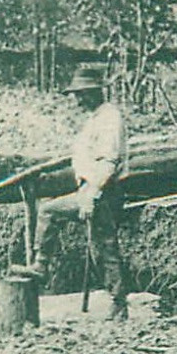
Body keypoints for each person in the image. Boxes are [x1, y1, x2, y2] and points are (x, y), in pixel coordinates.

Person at [32, 64, 131, 321]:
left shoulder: (110, 118)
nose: (77, 99)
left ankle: (41, 266)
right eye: (76, 93)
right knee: (103, 245)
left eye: (82, 93)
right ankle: (118, 302)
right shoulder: (97, 118)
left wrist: (91, 194)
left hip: (103, 190)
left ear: (95, 92)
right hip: (93, 188)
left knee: (51, 212)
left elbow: (109, 162)